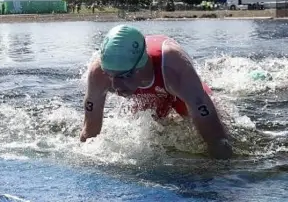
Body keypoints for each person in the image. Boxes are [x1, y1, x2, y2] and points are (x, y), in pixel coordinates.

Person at [80, 24, 232, 160]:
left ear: (141, 65)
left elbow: (216, 136)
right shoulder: (98, 72)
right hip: (147, 86)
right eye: (110, 75)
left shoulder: (174, 68)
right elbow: (89, 131)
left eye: (124, 76)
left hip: (174, 85)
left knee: (218, 133)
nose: (116, 85)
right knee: (154, 126)